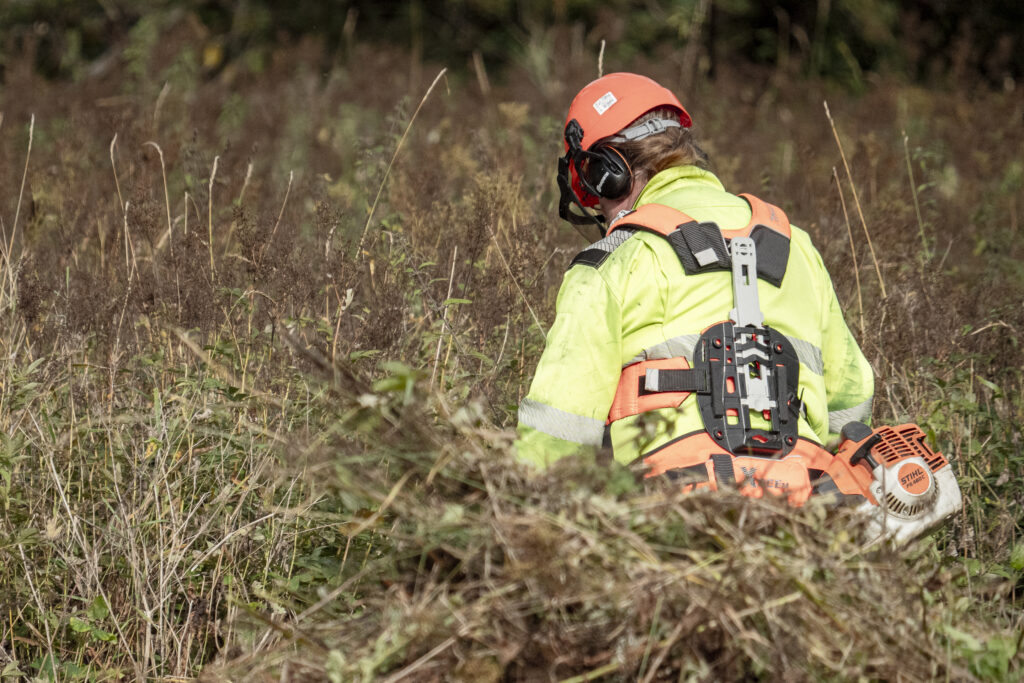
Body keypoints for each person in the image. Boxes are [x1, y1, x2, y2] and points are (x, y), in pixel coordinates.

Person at [516, 72, 874, 493]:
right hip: (807, 501)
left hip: (670, 509)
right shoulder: (797, 247)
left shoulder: (612, 260)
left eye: (596, 194)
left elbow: (560, 429)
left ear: (607, 173)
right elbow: (851, 400)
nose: (601, 210)